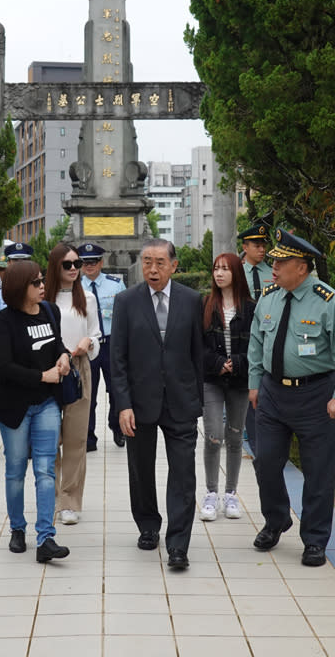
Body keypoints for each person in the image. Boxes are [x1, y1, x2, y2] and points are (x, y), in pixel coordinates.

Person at [248, 228, 335, 567]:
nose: (274, 267)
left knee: (318, 471)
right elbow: (255, 343)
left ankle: (314, 539)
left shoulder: (328, 300)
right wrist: (254, 383)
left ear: (302, 266)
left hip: (315, 395)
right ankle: (277, 518)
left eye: (282, 263)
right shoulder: (269, 295)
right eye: (274, 262)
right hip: (272, 394)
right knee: (265, 461)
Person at [111, 238, 203, 570]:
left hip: (180, 402)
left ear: (174, 266)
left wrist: (197, 400)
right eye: (147, 261)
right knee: (141, 470)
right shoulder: (126, 301)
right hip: (139, 403)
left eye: (160, 262)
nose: (153, 268)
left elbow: (197, 354)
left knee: (183, 473)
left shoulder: (192, 301)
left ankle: (178, 545)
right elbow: (117, 359)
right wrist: (122, 405)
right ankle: (148, 526)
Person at [0, 259, 71, 563]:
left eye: (42, 281)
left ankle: (45, 538)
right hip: (15, 406)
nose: (42, 286)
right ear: (19, 288)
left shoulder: (50, 311)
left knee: (45, 470)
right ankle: (17, 528)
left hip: (47, 404)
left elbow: (59, 345)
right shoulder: (6, 319)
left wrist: (63, 358)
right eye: (35, 282)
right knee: (15, 471)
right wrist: (42, 376)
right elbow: (7, 366)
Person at [44, 242, 101, 525]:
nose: (74, 269)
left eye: (76, 264)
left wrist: (87, 342)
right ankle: (52, 497)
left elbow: (97, 334)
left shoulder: (87, 297)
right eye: (67, 264)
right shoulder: (43, 297)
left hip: (79, 368)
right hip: (50, 369)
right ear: (55, 266)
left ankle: (70, 501)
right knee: (50, 438)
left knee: (77, 439)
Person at [199, 253, 255, 522]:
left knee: (235, 438)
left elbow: (257, 346)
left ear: (236, 273)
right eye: (215, 269)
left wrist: (238, 364)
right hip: (213, 379)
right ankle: (211, 493)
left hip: (240, 381)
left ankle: (231, 494)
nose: (219, 274)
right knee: (213, 435)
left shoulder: (251, 308)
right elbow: (197, 347)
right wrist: (219, 363)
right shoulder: (206, 305)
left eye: (225, 269)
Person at [79, 242, 126, 451]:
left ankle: (117, 426)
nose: (89, 266)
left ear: (101, 262)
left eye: (93, 262)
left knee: (116, 390)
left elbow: (126, 315)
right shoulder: (75, 288)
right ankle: (89, 435)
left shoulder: (115, 285)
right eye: (85, 262)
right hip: (88, 346)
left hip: (111, 344)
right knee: (88, 393)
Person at [238, 224, 274, 455]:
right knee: (243, 389)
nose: (261, 250)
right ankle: (244, 435)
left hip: (268, 338)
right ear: (245, 247)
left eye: (264, 245)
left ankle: (260, 441)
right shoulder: (236, 273)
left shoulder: (273, 272)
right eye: (256, 245)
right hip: (242, 338)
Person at [0, 242, 34, 328]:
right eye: (15, 260)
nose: (19, 263)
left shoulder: (37, 289)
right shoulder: (1, 293)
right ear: (9, 263)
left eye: (23, 260)